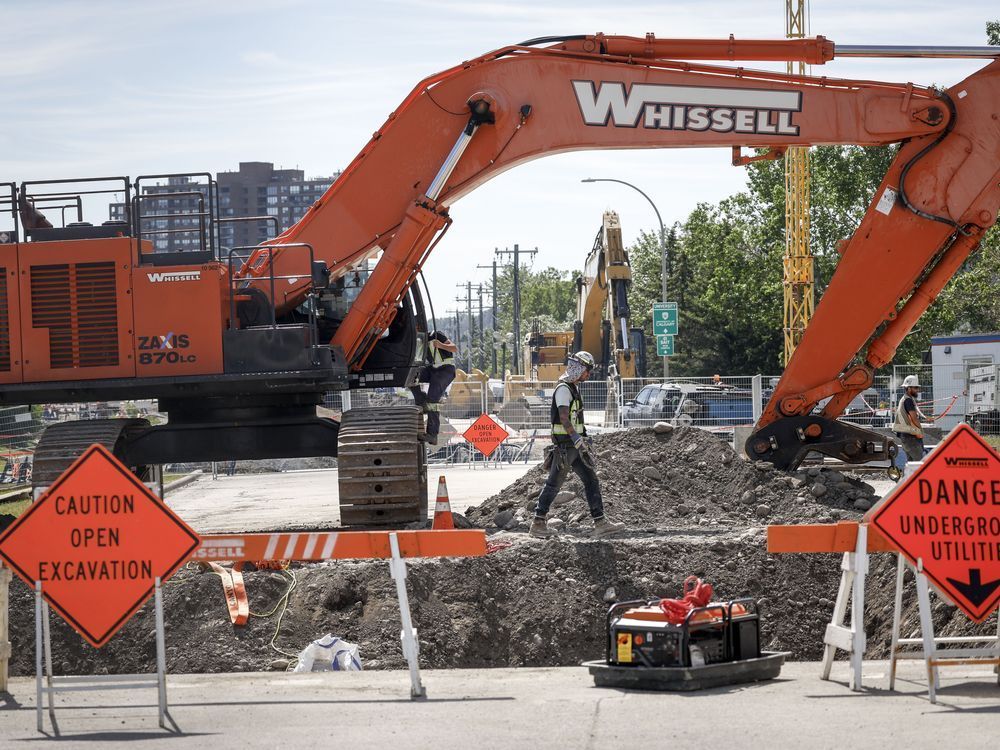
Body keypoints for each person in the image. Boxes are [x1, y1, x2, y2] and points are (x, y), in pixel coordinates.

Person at [530, 351, 624, 539]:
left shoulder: (573, 388)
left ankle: (600, 522)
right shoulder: (564, 389)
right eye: (586, 371)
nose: (588, 375)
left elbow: (575, 418)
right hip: (566, 446)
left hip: (574, 446)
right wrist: (576, 439)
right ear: (578, 369)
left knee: (591, 480)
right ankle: (538, 522)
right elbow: (564, 418)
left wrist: (583, 439)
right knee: (554, 484)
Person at [410, 330, 457, 445]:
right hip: (432, 369)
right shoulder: (418, 341)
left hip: (445, 369)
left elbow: (454, 348)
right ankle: (421, 400)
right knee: (411, 375)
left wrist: (440, 345)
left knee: (432, 400)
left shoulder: (436, 335)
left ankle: (432, 434)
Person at [893, 374, 927, 463]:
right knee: (918, 464)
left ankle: (907, 477)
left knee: (911, 465)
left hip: (906, 436)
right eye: (915, 388)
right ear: (908, 388)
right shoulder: (908, 400)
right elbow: (914, 418)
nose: (917, 390)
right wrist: (921, 431)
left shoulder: (905, 399)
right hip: (910, 437)